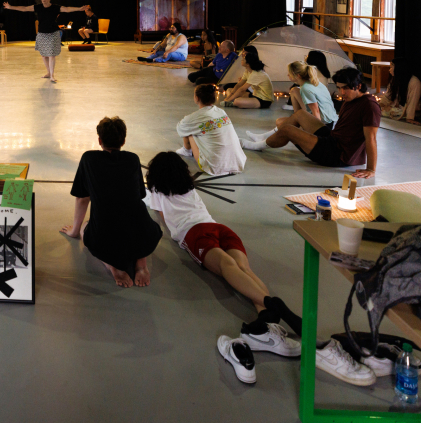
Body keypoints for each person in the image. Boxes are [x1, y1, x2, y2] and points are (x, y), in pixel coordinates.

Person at [143, 151, 302, 383]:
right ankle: (267, 321)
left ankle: (271, 306)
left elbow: (161, 219)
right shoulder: (190, 188)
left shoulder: (155, 192)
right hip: (219, 228)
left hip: (194, 233)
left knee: (228, 267)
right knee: (245, 270)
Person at [60, 117, 163, 288]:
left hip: (106, 236)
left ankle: (114, 267)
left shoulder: (89, 159)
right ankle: (141, 264)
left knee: (87, 230)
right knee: (137, 224)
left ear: (99, 140)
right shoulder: (132, 159)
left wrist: (75, 231)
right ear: (123, 141)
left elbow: (82, 198)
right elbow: (139, 195)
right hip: (141, 232)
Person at [242, 68, 381, 179]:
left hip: (337, 154)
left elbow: (371, 139)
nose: (341, 92)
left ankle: (257, 145)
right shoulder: (350, 99)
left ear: (359, 86)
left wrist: (371, 169)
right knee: (300, 115)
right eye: (339, 88)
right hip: (333, 140)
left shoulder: (369, 105)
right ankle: (264, 138)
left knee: (288, 130)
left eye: (345, 88)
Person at [3, 0, 89, 83]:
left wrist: (79, 9)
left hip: (53, 33)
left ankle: (52, 75)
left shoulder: (55, 7)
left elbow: (67, 9)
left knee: (51, 55)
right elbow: (24, 8)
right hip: (42, 34)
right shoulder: (38, 7)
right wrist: (10, 7)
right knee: (44, 55)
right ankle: (48, 73)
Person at [175, 84, 247, 176]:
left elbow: (180, 129)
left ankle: (186, 151)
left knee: (189, 129)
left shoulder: (194, 118)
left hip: (214, 167)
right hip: (237, 163)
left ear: (196, 98)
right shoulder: (221, 112)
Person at [284, 61, 337, 127]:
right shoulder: (313, 82)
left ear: (298, 76)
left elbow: (316, 112)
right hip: (331, 119)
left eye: (290, 73)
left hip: (324, 123)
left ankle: (297, 121)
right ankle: (297, 118)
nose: (288, 75)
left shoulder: (305, 88)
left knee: (281, 123)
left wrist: (316, 132)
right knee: (294, 90)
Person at [378, 59, 421, 123]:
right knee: (379, 108)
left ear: (398, 68)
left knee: (392, 111)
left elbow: (413, 101)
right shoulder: (395, 78)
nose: (389, 70)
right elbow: (388, 94)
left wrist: (410, 117)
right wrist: (381, 104)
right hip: (396, 105)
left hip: (405, 107)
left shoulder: (414, 83)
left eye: (391, 67)